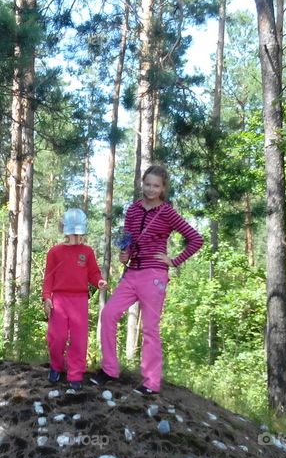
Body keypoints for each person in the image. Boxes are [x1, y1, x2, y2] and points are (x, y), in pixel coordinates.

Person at [90, 164, 204, 395]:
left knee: (150, 327)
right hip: (132, 273)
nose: (151, 189)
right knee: (109, 313)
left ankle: (151, 382)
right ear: (142, 183)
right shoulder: (132, 210)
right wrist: (126, 254)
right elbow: (129, 242)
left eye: (156, 186)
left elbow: (196, 239)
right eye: (148, 184)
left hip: (154, 275)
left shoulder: (167, 212)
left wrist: (174, 260)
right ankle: (110, 370)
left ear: (163, 188)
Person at [42, 208, 108, 391]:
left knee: (79, 340)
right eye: (72, 232)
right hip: (59, 299)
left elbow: (93, 273)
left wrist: (99, 281)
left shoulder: (87, 252)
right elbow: (49, 277)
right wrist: (46, 297)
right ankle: (56, 366)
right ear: (64, 230)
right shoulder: (54, 252)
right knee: (57, 337)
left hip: (79, 300)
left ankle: (75, 374)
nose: (76, 236)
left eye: (79, 233)